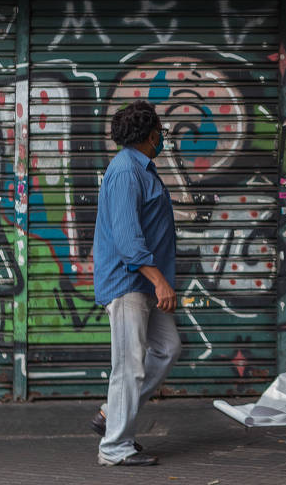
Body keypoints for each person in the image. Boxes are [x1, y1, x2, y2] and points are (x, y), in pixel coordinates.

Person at [91, 100, 182, 467]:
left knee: (167, 348)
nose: (163, 137)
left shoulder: (142, 168)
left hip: (143, 283)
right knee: (129, 366)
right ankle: (114, 447)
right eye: (160, 131)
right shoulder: (127, 171)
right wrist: (160, 282)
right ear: (150, 134)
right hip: (128, 282)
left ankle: (112, 412)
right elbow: (128, 239)